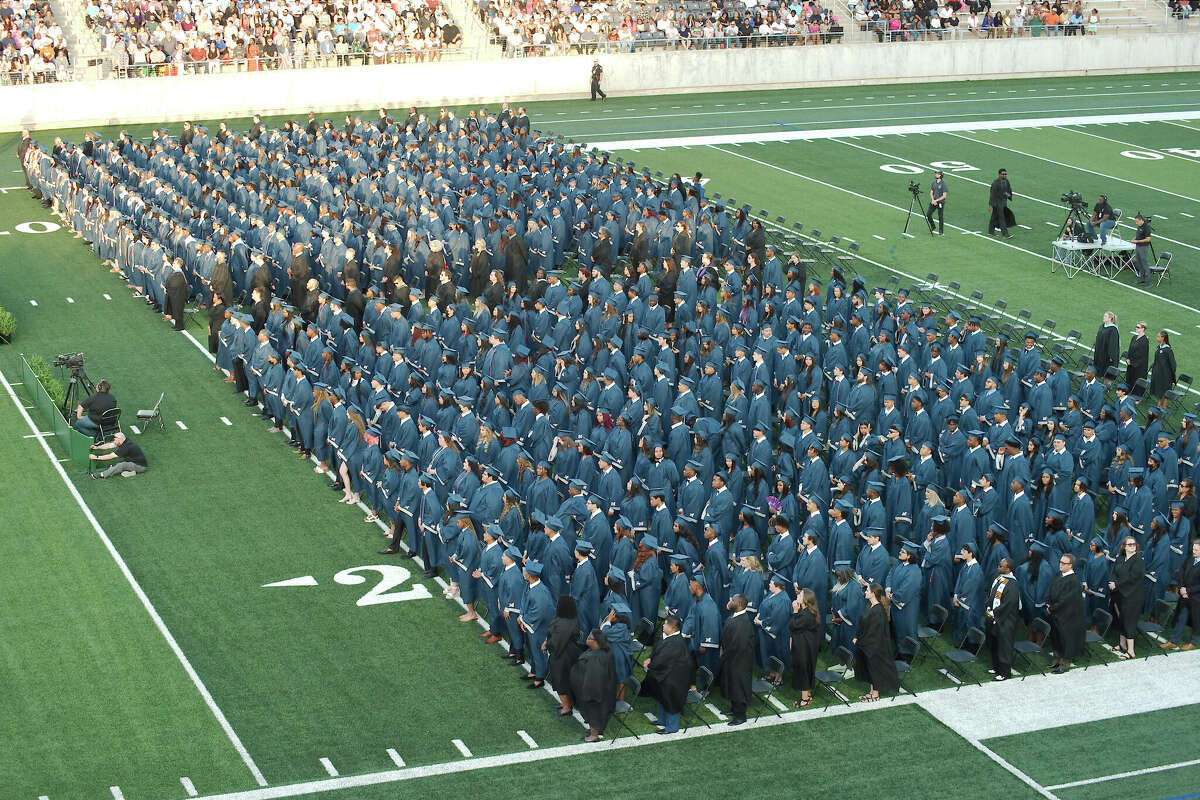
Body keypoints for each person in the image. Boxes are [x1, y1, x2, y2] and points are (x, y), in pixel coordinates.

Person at [640, 614, 693, 734]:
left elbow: (662, 660)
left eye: (665, 624)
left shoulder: (675, 643)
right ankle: (662, 720)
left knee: (670, 700)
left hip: (675, 679)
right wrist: (650, 658)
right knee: (662, 697)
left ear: (672, 628)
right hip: (666, 675)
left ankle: (671, 727)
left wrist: (650, 665)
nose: (663, 625)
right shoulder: (667, 637)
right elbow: (657, 651)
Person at [570, 628, 618, 742]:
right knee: (594, 710)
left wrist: (588, 695)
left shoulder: (597, 658)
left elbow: (594, 679)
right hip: (599, 689)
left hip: (594, 693)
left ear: (596, 641)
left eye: (590, 638)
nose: (587, 639)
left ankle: (594, 735)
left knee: (593, 711)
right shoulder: (601, 651)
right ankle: (596, 730)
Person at [853, 583, 899, 701]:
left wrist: (860, 641)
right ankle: (871, 691)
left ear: (873, 594)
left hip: (875, 647)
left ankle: (876, 694)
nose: (865, 592)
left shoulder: (878, 611)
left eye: (867, 590)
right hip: (868, 645)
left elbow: (873, 633)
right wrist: (857, 637)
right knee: (870, 668)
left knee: (874, 669)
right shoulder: (870, 606)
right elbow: (864, 625)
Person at [1047, 553, 1086, 673]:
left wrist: (1052, 608)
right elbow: (1050, 590)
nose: (1060, 565)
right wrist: (1048, 603)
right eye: (1060, 562)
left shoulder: (1073, 581)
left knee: (1066, 640)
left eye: (1064, 563)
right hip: (1056, 615)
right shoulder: (1060, 576)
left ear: (1071, 565)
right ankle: (1056, 661)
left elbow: (1066, 600)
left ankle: (1064, 665)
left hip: (1067, 617)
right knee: (1056, 638)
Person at [719, 593, 755, 725]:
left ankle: (740, 715)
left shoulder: (743, 623)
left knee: (738, 687)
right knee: (733, 685)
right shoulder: (735, 618)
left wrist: (724, 653)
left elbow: (737, 645)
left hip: (739, 661)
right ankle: (734, 709)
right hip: (732, 659)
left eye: (733, 600)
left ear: (739, 604)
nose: (730, 601)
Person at [546, 596, 584, 716]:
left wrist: (547, 645)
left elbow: (557, 643)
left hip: (562, 656)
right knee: (564, 680)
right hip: (568, 653)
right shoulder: (569, 619)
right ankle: (566, 703)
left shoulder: (564, 624)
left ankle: (567, 707)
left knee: (560, 681)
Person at [1109, 535, 1145, 659]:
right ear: (1124, 547)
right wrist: (1112, 582)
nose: (1132, 546)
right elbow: (1114, 572)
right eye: (1129, 544)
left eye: (1134, 544)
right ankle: (1122, 644)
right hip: (1119, 594)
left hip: (1132, 596)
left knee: (1129, 621)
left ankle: (1131, 651)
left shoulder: (1138, 560)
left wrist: (1116, 584)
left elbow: (1132, 578)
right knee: (1122, 619)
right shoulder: (1120, 558)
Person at [984, 557, 1020, 681]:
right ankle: (996, 667)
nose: (998, 567)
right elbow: (992, 595)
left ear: (1008, 569)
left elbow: (1008, 604)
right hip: (994, 617)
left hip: (1005, 621)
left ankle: (1004, 673)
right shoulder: (999, 578)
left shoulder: (1012, 584)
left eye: (1001, 566)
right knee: (994, 643)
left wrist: (994, 613)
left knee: (1004, 646)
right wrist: (988, 607)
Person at [1164, 539, 1200, 651]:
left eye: (1196, 550)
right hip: (1185, 596)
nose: (1194, 551)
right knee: (1181, 618)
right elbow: (1181, 573)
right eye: (1193, 549)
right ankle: (1174, 641)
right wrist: (1181, 588)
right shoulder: (1190, 559)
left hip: (1196, 598)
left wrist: (1187, 591)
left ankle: (1193, 642)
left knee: (1196, 620)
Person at [788, 588, 821, 708]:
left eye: (800, 595)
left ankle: (805, 699)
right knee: (806, 669)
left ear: (805, 599)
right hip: (805, 646)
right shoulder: (807, 611)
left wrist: (795, 611)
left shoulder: (806, 614)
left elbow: (792, 625)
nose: (797, 595)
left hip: (804, 648)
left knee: (803, 670)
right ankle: (807, 693)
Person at [1150, 330, 1177, 410]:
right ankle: (1158, 405)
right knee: (1159, 389)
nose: (1157, 338)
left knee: (1165, 390)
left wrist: (1171, 375)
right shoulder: (1159, 347)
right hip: (1158, 373)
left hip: (1166, 375)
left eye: (1158, 336)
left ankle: (1164, 407)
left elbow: (1173, 364)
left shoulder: (1168, 350)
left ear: (1163, 338)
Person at [1092, 311, 1120, 381]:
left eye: (1105, 316)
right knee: (1098, 369)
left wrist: (1111, 356)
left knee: (1107, 371)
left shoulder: (1113, 329)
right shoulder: (1102, 326)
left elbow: (1113, 344)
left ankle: (1107, 386)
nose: (1103, 317)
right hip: (1100, 351)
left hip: (1107, 354)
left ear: (1110, 318)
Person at [987, 168, 1013, 238]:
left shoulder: (1006, 181)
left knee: (994, 217)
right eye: (1003, 174)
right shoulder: (995, 183)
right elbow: (992, 194)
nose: (1004, 175)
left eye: (1005, 174)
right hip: (997, 203)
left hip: (1003, 202)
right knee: (1002, 218)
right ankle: (1005, 234)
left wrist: (1009, 195)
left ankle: (990, 231)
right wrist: (990, 205)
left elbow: (1009, 190)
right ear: (999, 174)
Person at [1126, 321, 1149, 394]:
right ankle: (1129, 391)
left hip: (1139, 365)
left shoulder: (1145, 340)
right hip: (1131, 362)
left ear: (1143, 329)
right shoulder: (1134, 337)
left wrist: (1132, 361)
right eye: (1136, 327)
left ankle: (1137, 396)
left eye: (1138, 327)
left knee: (1137, 379)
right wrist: (1128, 358)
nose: (1136, 328)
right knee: (1130, 378)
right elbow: (1130, 349)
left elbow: (1141, 354)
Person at [1130, 212, 1152, 285]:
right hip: (1138, 246)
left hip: (1143, 247)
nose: (1136, 223)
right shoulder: (1140, 226)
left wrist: (1137, 241)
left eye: (1137, 221)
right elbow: (1138, 235)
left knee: (1144, 263)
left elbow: (1148, 239)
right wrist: (1134, 239)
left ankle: (1149, 281)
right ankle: (1141, 278)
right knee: (1139, 262)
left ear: (1141, 220)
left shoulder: (1146, 227)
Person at [926, 170, 947, 235]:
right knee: (928, 215)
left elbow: (944, 196)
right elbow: (931, 192)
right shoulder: (934, 183)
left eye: (937, 174)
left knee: (940, 217)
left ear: (940, 175)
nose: (936, 175)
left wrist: (936, 200)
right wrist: (933, 200)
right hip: (933, 201)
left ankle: (941, 231)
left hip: (940, 203)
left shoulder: (943, 184)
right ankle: (933, 227)